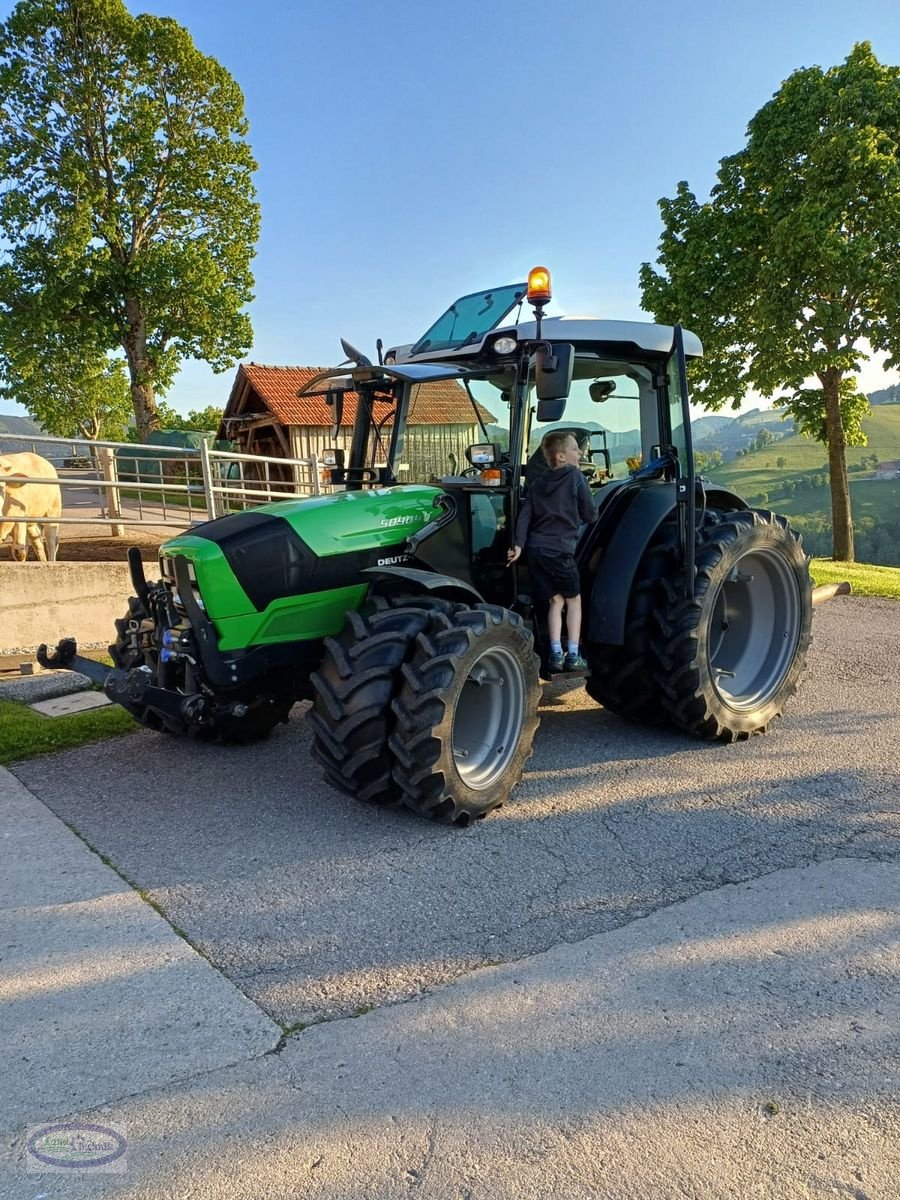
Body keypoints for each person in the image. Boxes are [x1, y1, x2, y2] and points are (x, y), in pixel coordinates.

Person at [507, 430, 598, 672]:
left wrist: (518, 545)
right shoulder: (576, 478)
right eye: (574, 449)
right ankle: (573, 655)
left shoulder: (538, 483)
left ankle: (555, 654)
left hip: (535, 551)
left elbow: (525, 516)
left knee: (555, 601)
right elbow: (590, 514)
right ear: (561, 457)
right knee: (574, 600)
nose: (580, 453)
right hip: (559, 550)